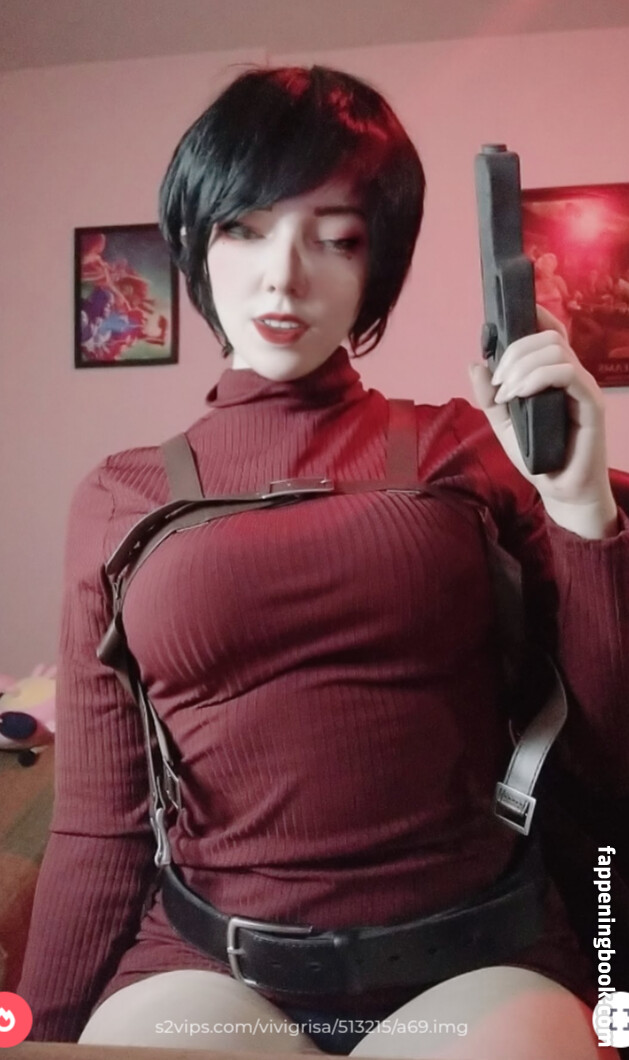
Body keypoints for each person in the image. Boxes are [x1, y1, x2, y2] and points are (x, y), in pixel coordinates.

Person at [18, 65, 627, 1059]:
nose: (283, 277)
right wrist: (35, 1032)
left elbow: (604, 750)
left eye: (335, 237)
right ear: (195, 239)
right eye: (245, 229)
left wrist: (578, 504)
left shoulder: (466, 450)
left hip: (471, 964)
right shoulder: (120, 496)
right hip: (206, 972)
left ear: (376, 261)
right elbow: (98, 826)